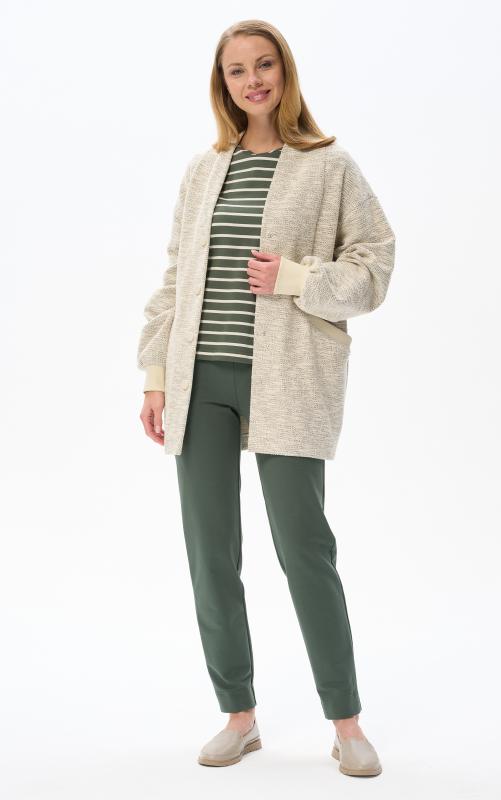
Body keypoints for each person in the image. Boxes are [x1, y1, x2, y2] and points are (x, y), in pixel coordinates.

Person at [137, 19, 395, 777]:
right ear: (221, 84)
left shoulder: (328, 165)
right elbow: (175, 277)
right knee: (210, 554)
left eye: (264, 65)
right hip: (200, 380)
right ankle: (239, 715)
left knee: (305, 550)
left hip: (288, 379)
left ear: (285, 72)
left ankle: (346, 723)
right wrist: (155, 375)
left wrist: (297, 278)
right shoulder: (203, 169)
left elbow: (374, 267)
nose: (252, 80)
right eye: (237, 70)